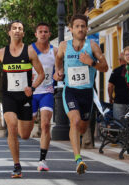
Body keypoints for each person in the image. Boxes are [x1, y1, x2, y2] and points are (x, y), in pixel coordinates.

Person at [0, 20, 45, 178]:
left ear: (23, 33)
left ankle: (25, 118)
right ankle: (17, 166)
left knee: (24, 135)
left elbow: (41, 74)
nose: (17, 31)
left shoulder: (30, 52)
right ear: (9, 32)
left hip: (25, 97)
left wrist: (32, 88)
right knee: (12, 126)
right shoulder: (1, 53)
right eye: (14, 28)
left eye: (20, 28)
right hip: (9, 95)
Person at [53, 14, 108, 174]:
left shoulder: (92, 46)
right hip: (70, 91)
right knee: (75, 121)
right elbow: (58, 59)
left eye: (83, 26)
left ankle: (80, 143)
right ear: (71, 29)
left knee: (82, 127)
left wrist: (90, 62)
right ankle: (78, 159)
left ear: (87, 28)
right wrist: (59, 71)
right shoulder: (64, 46)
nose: (80, 29)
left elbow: (105, 67)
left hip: (87, 93)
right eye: (77, 26)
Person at [31, 22, 57, 171]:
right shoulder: (29, 50)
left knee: (46, 124)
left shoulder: (55, 51)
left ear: (49, 34)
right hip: (31, 93)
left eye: (46, 31)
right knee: (25, 131)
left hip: (46, 91)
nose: (43, 34)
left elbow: (60, 68)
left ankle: (42, 160)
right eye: (40, 31)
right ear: (36, 34)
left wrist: (58, 74)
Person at [108, 52, 129, 120]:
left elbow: (110, 86)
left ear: (120, 60)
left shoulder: (116, 71)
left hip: (119, 102)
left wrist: (110, 97)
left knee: (118, 124)